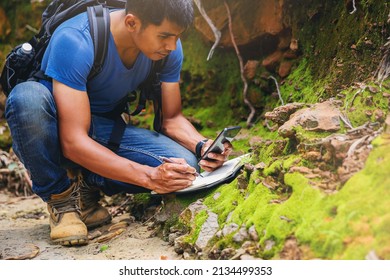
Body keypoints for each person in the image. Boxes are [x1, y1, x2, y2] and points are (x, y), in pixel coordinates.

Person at [4, 0, 232, 246]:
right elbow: (73, 141)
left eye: (177, 37)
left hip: (103, 129)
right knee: (25, 98)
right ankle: (61, 199)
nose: (172, 46)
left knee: (187, 168)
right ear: (132, 22)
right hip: (55, 127)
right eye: (165, 36)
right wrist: (149, 177)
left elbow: (172, 119)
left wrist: (202, 146)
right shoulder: (76, 39)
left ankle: (86, 187)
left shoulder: (168, 50)